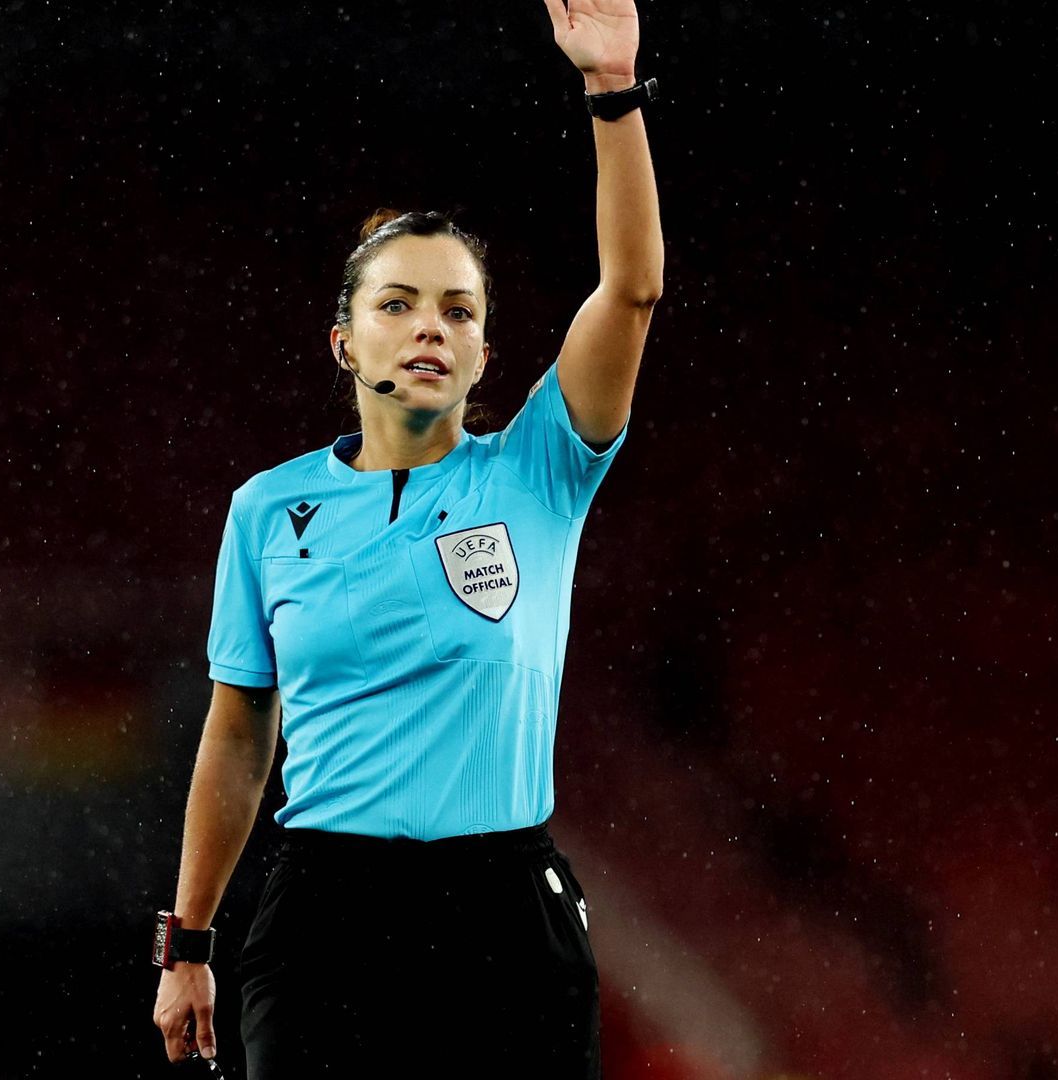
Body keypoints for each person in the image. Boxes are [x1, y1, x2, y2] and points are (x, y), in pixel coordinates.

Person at [151, 2, 661, 1075]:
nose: (431, 325)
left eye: (459, 311)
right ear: (346, 339)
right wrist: (188, 941)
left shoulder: (539, 470)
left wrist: (610, 92)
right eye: (399, 303)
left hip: (503, 918)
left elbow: (632, 287)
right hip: (324, 916)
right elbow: (240, 733)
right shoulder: (266, 509)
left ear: (483, 355)